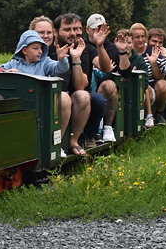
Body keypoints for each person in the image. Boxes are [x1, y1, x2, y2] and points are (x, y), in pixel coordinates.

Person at [49, 13, 103, 155]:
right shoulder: (45, 49)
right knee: (62, 97)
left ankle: (74, 141)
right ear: (56, 32)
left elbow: (80, 86)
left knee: (83, 96)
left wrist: (76, 58)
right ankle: (56, 145)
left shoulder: (80, 48)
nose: (72, 33)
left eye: (74, 29)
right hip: (51, 94)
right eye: (67, 30)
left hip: (70, 95)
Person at [85, 13, 121, 142]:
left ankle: (107, 128)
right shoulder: (83, 46)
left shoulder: (112, 49)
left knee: (108, 87)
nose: (98, 32)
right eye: (95, 29)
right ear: (87, 29)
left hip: (104, 90)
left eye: (101, 28)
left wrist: (123, 53)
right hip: (86, 88)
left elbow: (110, 70)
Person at [130, 23, 162, 128]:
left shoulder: (152, 52)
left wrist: (153, 63)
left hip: (148, 87)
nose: (140, 40)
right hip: (130, 85)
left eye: (143, 37)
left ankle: (150, 115)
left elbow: (161, 76)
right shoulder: (127, 52)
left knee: (144, 85)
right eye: (137, 37)